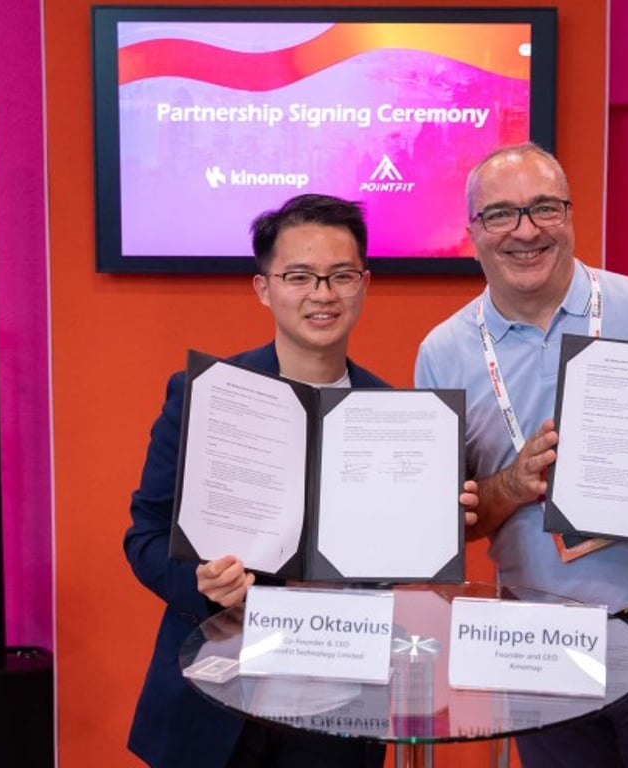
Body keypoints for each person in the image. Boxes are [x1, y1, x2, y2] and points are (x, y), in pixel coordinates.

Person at [415, 143, 628, 768]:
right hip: (537, 638)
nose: (525, 231)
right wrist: (512, 484)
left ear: (570, 215)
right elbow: (449, 530)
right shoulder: (443, 354)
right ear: (473, 232)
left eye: (545, 208)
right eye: (501, 214)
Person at [125, 193, 477, 768]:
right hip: (215, 700)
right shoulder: (206, 397)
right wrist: (201, 583)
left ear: (364, 283)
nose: (322, 294)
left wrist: (436, 525)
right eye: (299, 276)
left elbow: (396, 569)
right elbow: (144, 536)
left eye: (341, 276)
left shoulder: (403, 420)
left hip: (339, 707)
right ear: (264, 287)